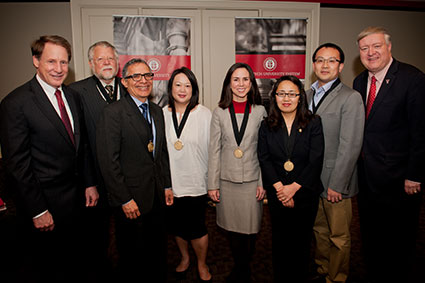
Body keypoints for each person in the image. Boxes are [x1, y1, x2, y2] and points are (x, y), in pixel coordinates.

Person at [0, 35, 98, 283]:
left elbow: (81, 144)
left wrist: (89, 182)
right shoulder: (16, 103)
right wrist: (38, 210)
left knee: (76, 261)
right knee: (47, 267)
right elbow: (17, 166)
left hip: (77, 202)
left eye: (64, 62)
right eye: (51, 61)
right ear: (36, 60)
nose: (59, 69)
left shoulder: (73, 97)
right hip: (45, 206)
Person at [353, 26, 425, 283]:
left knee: (399, 241)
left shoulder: (412, 79)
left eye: (376, 46)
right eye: (364, 48)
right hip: (367, 178)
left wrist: (415, 175)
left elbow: (421, 131)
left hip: (400, 180)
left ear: (388, 47)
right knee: (371, 236)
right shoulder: (359, 81)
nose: (370, 53)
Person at [96, 58, 173, 282]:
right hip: (131, 201)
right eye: (135, 76)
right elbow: (108, 162)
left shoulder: (157, 111)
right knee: (132, 256)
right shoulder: (113, 113)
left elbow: (161, 153)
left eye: (147, 75)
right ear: (125, 83)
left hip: (157, 196)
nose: (143, 81)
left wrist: (167, 184)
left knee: (157, 251)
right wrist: (124, 199)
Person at [306, 43, 364, 283]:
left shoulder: (351, 98)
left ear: (340, 66)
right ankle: (323, 269)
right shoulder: (307, 94)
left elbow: (350, 145)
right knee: (319, 231)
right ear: (313, 65)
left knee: (338, 236)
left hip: (335, 182)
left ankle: (337, 277)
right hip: (312, 180)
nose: (325, 65)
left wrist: (337, 184)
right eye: (320, 60)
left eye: (331, 60)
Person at [258, 75, 324, 283]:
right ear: (275, 96)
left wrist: (293, 189)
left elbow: (316, 159)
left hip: (304, 193)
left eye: (292, 94)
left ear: (300, 97)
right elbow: (264, 158)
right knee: (280, 239)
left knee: (302, 241)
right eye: (281, 93)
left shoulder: (314, 122)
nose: (286, 98)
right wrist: (281, 190)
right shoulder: (266, 125)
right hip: (277, 194)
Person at [69, 41, 125, 277]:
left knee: (128, 232)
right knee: (97, 235)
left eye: (110, 59)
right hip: (95, 181)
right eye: (100, 59)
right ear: (91, 64)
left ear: (118, 62)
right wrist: (89, 182)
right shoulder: (76, 92)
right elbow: (77, 144)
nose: (106, 63)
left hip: (126, 179)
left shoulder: (130, 87)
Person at [208, 62, 266, 283]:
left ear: (251, 84)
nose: (241, 84)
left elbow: (264, 151)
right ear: (229, 84)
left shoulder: (260, 111)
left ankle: (245, 267)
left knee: (251, 229)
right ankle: (241, 267)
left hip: (253, 179)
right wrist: (212, 184)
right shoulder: (219, 113)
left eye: (245, 79)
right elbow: (214, 150)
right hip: (227, 180)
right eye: (236, 80)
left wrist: (263, 182)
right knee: (232, 229)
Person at [163, 67, 212, 281]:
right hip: (171, 184)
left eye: (187, 85)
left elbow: (213, 150)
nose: (182, 90)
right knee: (178, 227)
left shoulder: (204, 114)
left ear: (194, 89)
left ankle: (202, 263)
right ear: (170, 87)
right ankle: (185, 258)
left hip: (197, 182)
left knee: (197, 227)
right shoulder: (161, 113)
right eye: (178, 84)